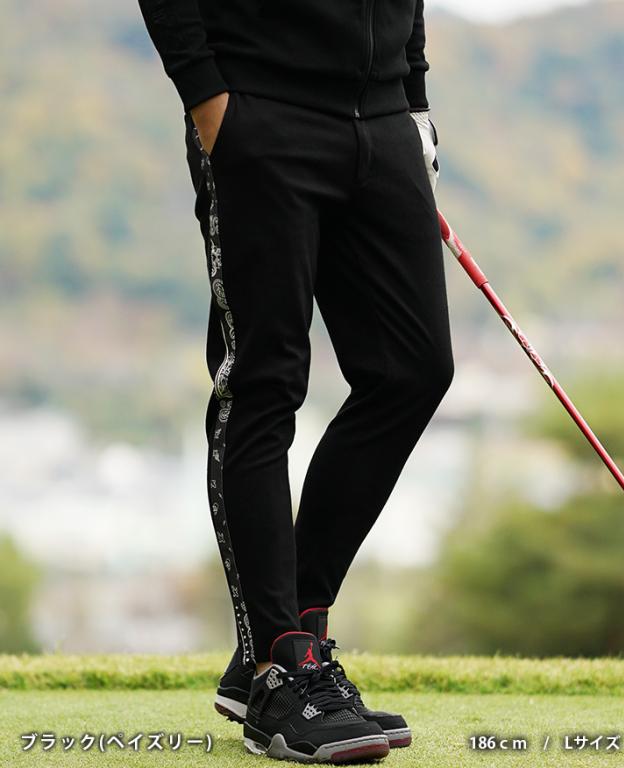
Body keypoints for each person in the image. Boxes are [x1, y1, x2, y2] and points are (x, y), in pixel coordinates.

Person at [137, 0, 454, 761]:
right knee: (264, 384)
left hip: (382, 117)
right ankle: (278, 663)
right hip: (258, 109)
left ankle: (289, 640)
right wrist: (207, 95)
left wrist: (413, 98)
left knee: (412, 370)